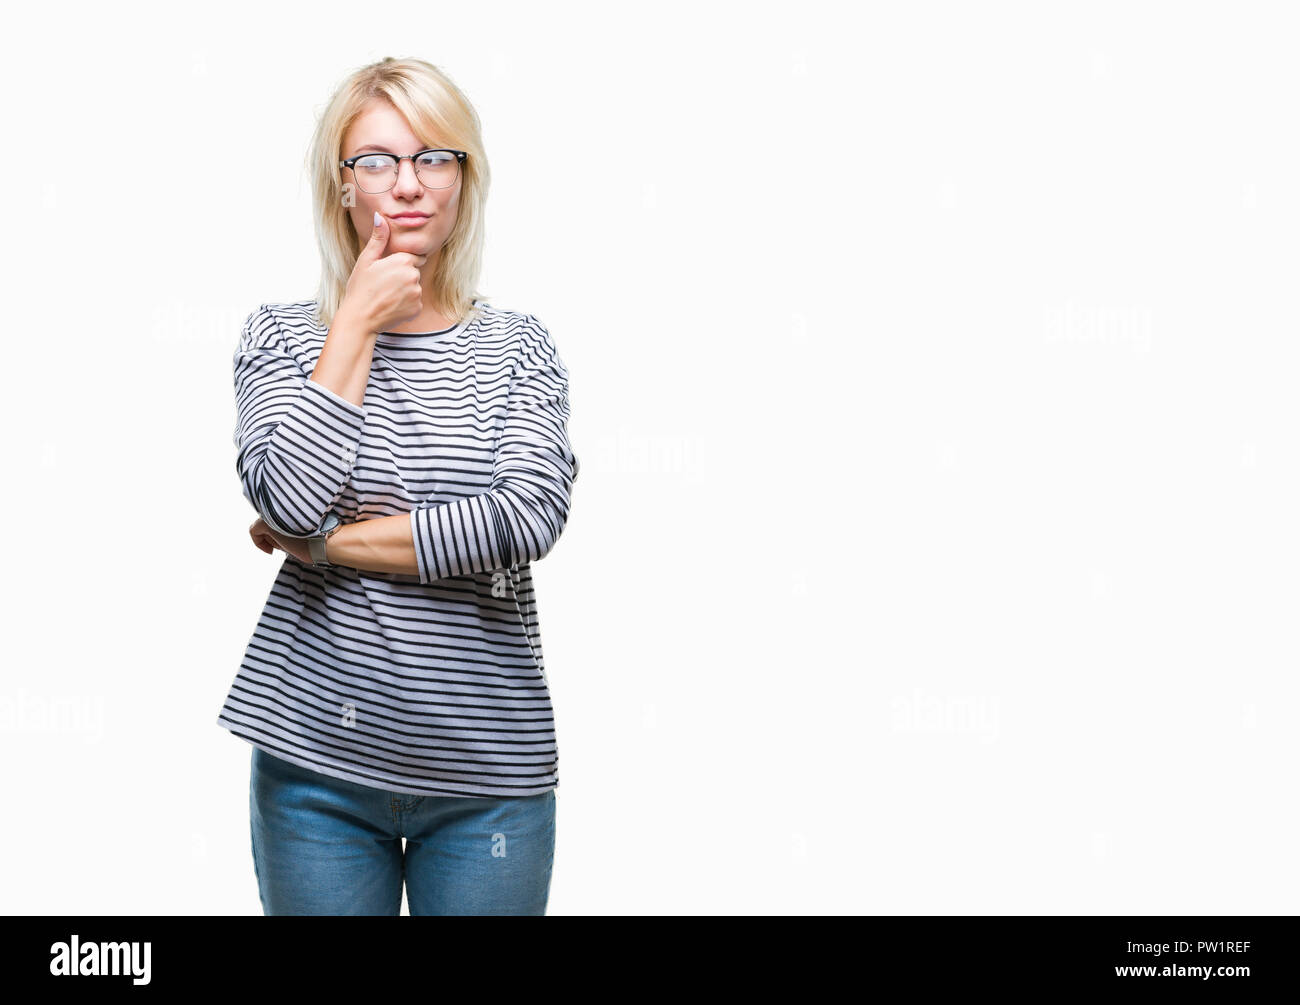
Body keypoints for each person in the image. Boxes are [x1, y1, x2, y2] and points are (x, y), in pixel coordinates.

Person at [216, 56, 579, 915]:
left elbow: (524, 518)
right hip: (316, 772)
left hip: (490, 776)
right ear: (341, 188)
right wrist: (353, 326)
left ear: (465, 180)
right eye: (375, 160)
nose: (407, 184)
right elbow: (287, 498)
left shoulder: (518, 347)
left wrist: (322, 547)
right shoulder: (277, 336)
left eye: (433, 157)